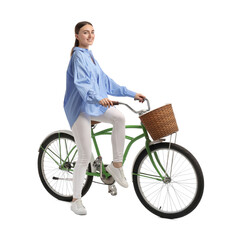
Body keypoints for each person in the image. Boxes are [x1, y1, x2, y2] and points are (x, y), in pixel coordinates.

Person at [64, 21, 145, 215]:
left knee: (119, 118)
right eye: (85, 33)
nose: (90, 36)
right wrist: (98, 98)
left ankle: (116, 166)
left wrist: (131, 93)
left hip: (93, 105)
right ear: (77, 35)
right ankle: (76, 200)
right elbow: (82, 85)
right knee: (84, 155)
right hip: (79, 108)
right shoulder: (77, 56)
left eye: (92, 32)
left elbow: (107, 82)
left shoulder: (90, 56)